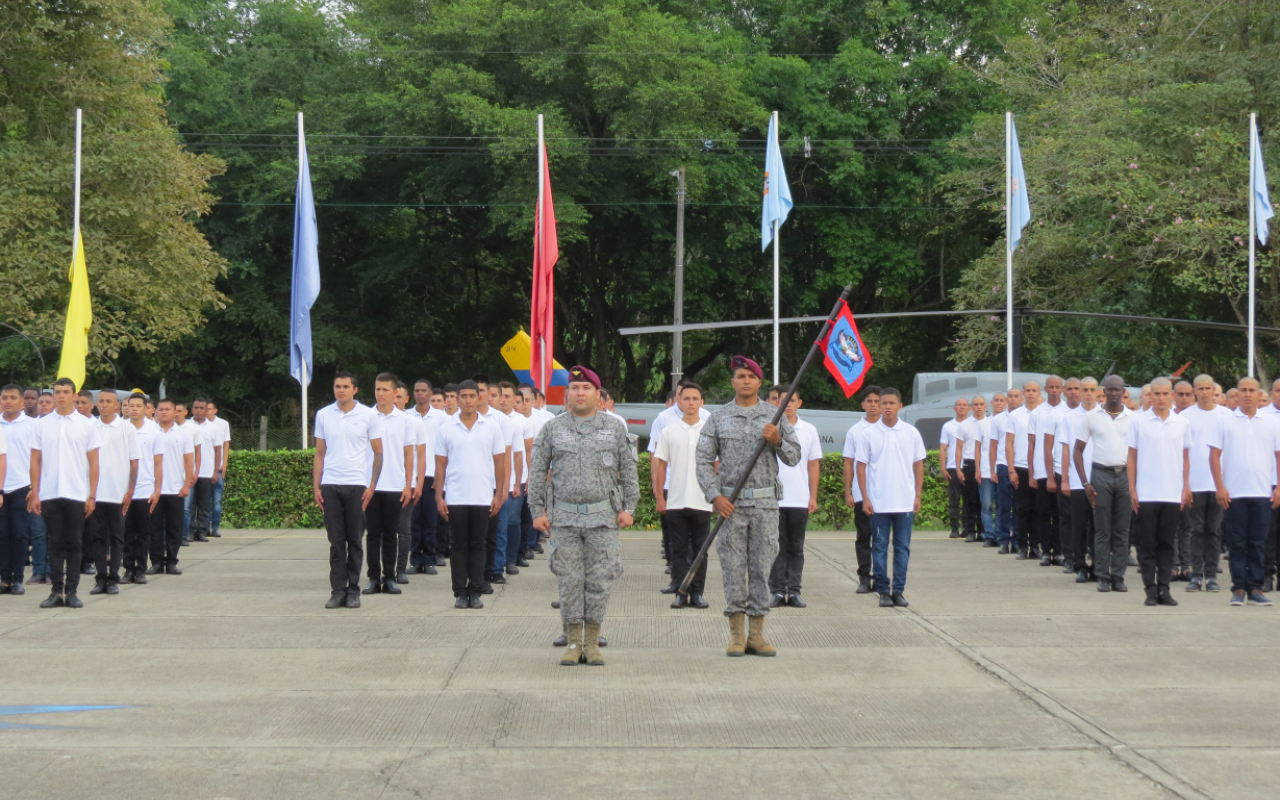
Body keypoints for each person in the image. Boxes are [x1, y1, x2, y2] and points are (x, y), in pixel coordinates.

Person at [530, 366, 639, 666]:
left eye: (586, 388)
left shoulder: (615, 428)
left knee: (599, 582)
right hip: (563, 520)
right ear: (567, 395)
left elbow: (629, 473)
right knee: (569, 582)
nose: (580, 393)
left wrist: (630, 509)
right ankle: (573, 641)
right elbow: (538, 472)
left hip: (603, 518)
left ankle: (592, 643)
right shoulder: (553, 428)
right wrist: (536, 511)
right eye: (575, 388)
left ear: (598, 395)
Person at [696, 355, 800, 658]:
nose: (745, 381)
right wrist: (715, 496)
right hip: (731, 505)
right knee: (732, 569)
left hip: (765, 506)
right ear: (733, 382)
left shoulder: (775, 415)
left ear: (759, 381)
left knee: (760, 569)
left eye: (751, 377)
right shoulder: (718, 418)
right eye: (740, 376)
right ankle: (737, 635)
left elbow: (794, 457)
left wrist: (778, 440)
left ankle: (757, 634)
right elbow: (703, 460)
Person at [313, 372, 384, 610]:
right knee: (336, 541)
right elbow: (320, 453)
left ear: (355, 389)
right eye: (337, 386)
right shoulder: (324, 415)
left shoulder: (368, 415)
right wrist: (317, 485)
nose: (340, 390)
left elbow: (378, 452)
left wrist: (372, 485)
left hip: (356, 485)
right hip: (331, 484)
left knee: (354, 540)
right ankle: (337, 591)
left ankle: (354, 590)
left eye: (345, 386)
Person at [28, 378, 102, 609]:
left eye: (66, 392)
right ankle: (56, 592)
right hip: (50, 492)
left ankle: (72, 591)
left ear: (74, 395)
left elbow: (94, 462)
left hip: (77, 492)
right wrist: (34, 491)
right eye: (57, 392)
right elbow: (35, 460)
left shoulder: (87, 424)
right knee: (55, 543)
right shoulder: (42, 424)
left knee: (74, 543)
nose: (61, 396)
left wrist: (92, 495)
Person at [1208, 377, 1280, 606]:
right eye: (1243, 390)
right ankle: (1238, 587)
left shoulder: (1271, 423)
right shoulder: (1224, 421)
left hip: (1262, 491)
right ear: (1236, 394)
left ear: (1260, 394)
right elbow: (1214, 456)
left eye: (1252, 390)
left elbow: (1278, 457)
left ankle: (1255, 587)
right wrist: (1219, 486)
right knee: (1237, 542)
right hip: (1234, 492)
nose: (1248, 394)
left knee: (1258, 542)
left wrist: (1279, 487)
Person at [435, 380, 506, 611]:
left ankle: (475, 591)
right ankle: (459, 592)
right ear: (455, 398)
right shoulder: (446, 428)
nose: (467, 400)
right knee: (457, 546)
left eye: (471, 396)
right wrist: (439, 496)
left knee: (479, 545)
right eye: (462, 396)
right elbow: (440, 466)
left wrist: (499, 494)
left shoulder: (492, 427)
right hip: (455, 496)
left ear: (479, 398)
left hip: (483, 496)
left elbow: (499, 463)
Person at [855, 387, 926, 609]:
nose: (886, 407)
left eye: (891, 403)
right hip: (878, 503)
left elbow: (918, 464)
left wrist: (917, 494)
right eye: (883, 403)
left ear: (900, 406)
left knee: (902, 547)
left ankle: (899, 591)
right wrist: (865, 497)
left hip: (904, 501)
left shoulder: (911, 433)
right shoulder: (868, 433)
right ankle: (883, 591)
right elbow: (861, 466)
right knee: (879, 546)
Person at [1126, 378, 1190, 607]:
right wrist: (1132, 488)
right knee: (1146, 543)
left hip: (1172, 492)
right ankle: (1149, 589)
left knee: (1166, 543)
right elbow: (1131, 456)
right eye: (1157, 394)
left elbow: (1185, 458)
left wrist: (1185, 487)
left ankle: (1164, 587)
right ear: (1150, 395)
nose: (1161, 398)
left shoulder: (1181, 423)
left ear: (1171, 395)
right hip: (1146, 491)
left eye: (1165, 393)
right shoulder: (1138, 421)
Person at [652, 382, 712, 610]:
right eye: (686, 399)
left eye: (695, 399)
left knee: (700, 550)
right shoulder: (669, 431)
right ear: (679, 401)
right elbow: (660, 466)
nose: (690, 403)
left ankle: (697, 592)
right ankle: (680, 591)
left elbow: (717, 466)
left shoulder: (709, 431)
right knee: (677, 550)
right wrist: (660, 497)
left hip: (702, 501)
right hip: (676, 500)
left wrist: (716, 496)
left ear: (701, 402)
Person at [1074, 375, 1135, 593]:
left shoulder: (1132, 418)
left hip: (1124, 476)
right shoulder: (1092, 417)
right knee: (1102, 530)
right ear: (1104, 391)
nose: (1113, 393)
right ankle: (1102, 576)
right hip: (1100, 475)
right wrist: (1084, 482)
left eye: (1117, 389)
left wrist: (1136, 483)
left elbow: (1139, 453)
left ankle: (1118, 576)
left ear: (1123, 392)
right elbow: (1077, 451)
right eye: (1109, 389)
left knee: (1121, 529)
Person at [361, 373, 414, 597]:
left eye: (385, 390)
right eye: (377, 389)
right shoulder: (365, 416)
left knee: (391, 533)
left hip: (394, 484)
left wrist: (408, 484)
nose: (380, 394)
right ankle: (373, 578)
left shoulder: (405, 420)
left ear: (395, 393)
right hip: (370, 485)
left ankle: (389, 577)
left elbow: (409, 454)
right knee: (372, 534)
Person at [769, 385, 822, 607]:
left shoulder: (808, 430)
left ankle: (795, 590)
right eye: (783, 400)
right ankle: (778, 591)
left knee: (796, 547)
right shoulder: (771, 430)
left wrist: (813, 496)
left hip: (799, 498)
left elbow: (813, 464)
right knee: (776, 547)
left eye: (792, 400)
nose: (787, 404)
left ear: (799, 403)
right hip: (774, 498)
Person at [85, 389, 140, 595]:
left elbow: (134, 462)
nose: (104, 405)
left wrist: (130, 490)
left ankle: (114, 578)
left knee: (117, 538)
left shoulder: (127, 429)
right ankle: (100, 579)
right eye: (101, 401)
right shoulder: (90, 427)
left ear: (117, 405)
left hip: (118, 493)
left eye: (109, 401)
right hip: (96, 493)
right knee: (97, 538)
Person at [1181, 374, 1229, 592]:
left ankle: (1211, 575)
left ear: (1213, 390)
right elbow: (1183, 454)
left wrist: (1225, 484)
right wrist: (1185, 484)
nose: (1204, 392)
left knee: (1214, 530)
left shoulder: (1226, 416)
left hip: (1218, 484)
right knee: (1196, 530)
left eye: (1208, 388)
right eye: (1200, 389)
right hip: (1195, 483)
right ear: (1194, 392)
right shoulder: (1185, 417)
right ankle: (1195, 574)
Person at [1058, 377, 1098, 582]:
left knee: (1099, 527)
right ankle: (1080, 565)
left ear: (1098, 391)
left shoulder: (1105, 415)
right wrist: (1064, 478)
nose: (1089, 393)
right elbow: (1066, 450)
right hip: (1077, 480)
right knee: (1079, 525)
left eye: (1092, 389)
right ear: (1080, 392)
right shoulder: (1070, 417)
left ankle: (1098, 566)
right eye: (1085, 390)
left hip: (1101, 479)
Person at [842, 386, 882, 592]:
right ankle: (864, 577)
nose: (873, 405)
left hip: (884, 495)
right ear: (863, 404)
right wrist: (848, 491)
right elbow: (849, 462)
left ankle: (880, 577)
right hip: (861, 493)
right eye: (870, 401)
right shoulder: (855, 431)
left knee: (881, 539)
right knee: (864, 536)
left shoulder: (889, 429)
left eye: (877, 401)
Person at [149, 399, 193, 575]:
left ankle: (172, 562)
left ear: (175, 412)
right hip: (154, 490)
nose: (164, 412)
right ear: (155, 412)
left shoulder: (183, 434)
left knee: (174, 528)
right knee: (155, 528)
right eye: (161, 409)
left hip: (175, 488)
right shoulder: (151, 432)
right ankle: (156, 562)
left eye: (168, 409)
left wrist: (187, 484)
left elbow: (189, 461)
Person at [0, 384, 35, 594]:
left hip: (23, 486)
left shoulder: (31, 425)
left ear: (22, 402)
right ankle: (4, 579)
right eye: (4, 397)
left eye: (13, 397)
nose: (8, 401)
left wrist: (34, 487)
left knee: (20, 534)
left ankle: (18, 579)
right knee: (2, 535)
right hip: (1, 488)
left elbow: (39, 459)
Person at [498, 382, 535, 575]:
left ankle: (511, 558)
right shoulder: (489, 419)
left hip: (515, 479)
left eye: (507, 396)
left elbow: (527, 451)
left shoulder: (521, 422)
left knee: (513, 520)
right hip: (494, 481)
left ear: (515, 399)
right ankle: (498, 559)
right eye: (500, 395)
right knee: (498, 522)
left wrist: (528, 477)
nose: (503, 400)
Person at [124, 393, 161, 583]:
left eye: (139, 406)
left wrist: (157, 490)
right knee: (127, 533)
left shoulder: (154, 430)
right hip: (123, 490)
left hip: (145, 488)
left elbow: (158, 464)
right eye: (132, 406)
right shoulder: (121, 428)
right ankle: (128, 568)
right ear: (127, 407)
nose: (135, 409)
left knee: (143, 533)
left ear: (145, 408)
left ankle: (140, 569)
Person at [407, 380, 444, 575]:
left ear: (430, 393)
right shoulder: (407, 416)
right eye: (417, 390)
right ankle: (415, 559)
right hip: (411, 476)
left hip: (432, 474)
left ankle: (429, 558)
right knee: (414, 520)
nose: (420, 394)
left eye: (423, 391)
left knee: (430, 519)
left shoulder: (441, 417)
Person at [1030, 376, 1066, 566]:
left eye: (1057, 387)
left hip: (1061, 470)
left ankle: (1059, 551)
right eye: (1051, 387)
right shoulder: (1037, 413)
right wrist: (1032, 473)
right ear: (1045, 389)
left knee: (1060, 513)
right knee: (1043, 513)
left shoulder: (1067, 411)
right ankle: (1045, 551)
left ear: (1062, 389)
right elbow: (1032, 444)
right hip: (1042, 471)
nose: (1054, 390)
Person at [1007, 381, 1041, 559]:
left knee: (1038, 509)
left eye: (1034, 391)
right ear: (1023, 393)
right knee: (1022, 509)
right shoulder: (1015, 415)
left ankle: (1036, 546)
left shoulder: (1043, 414)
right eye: (1028, 391)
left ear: (1039, 393)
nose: (1031, 394)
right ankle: (1021, 546)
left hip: (1039, 468)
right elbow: (1009, 443)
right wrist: (1011, 469)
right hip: (1021, 466)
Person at [990, 387, 1022, 553]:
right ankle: (1003, 539)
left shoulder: (1025, 416)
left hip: (1020, 464)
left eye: (1016, 396)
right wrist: (993, 469)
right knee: (1003, 505)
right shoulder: (998, 419)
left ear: (1021, 398)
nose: (1013, 399)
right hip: (1003, 464)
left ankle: (1016, 539)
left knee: (1018, 505)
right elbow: (993, 445)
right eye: (1010, 396)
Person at [976, 392, 1006, 546]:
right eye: (997, 400)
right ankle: (989, 534)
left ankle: (1001, 535)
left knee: (1002, 505)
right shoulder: (983, 424)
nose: (999, 403)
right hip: (986, 471)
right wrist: (977, 469)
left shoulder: (1009, 422)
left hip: (1002, 470)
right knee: (987, 505)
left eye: (1002, 400)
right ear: (992, 403)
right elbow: (978, 448)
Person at [954, 395, 985, 543]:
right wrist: (959, 469)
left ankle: (983, 531)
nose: (978, 407)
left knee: (983, 501)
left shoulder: (990, 423)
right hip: (969, 465)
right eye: (975, 404)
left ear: (986, 406)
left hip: (985, 465)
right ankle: (970, 531)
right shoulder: (964, 425)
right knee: (969, 501)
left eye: (981, 404)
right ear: (971, 407)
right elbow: (959, 449)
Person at [189, 398, 220, 543]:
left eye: (202, 408)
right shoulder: (186, 426)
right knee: (189, 505)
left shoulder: (214, 428)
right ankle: (189, 531)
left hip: (207, 472)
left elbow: (218, 450)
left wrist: (215, 471)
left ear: (206, 410)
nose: (199, 410)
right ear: (192, 409)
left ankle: (201, 531)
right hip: (189, 472)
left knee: (204, 504)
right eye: (197, 407)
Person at [938, 399, 968, 539]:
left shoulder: (973, 425)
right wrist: (943, 468)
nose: (962, 407)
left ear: (969, 408)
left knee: (969, 499)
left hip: (968, 465)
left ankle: (968, 528)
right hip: (952, 467)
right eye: (959, 405)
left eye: (964, 405)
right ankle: (954, 528)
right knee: (954, 499)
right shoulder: (948, 426)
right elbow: (943, 448)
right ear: (954, 408)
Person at [204, 400, 231, 538]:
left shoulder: (222, 424)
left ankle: (215, 527)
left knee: (216, 499)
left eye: (209, 409)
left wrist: (224, 463)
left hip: (218, 467)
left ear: (215, 410)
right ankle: (203, 527)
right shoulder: (195, 424)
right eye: (205, 409)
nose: (206, 411)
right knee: (203, 501)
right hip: (203, 469)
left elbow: (226, 444)